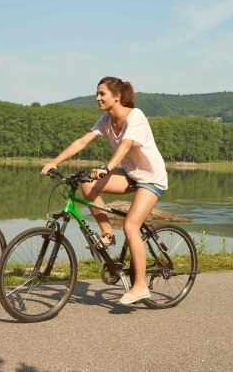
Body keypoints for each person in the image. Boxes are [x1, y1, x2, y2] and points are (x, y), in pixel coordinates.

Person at [41, 76, 167, 305]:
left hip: (151, 179)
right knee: (87, 183)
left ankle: (140, 287)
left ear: (117, 97)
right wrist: (55, 162)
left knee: (131, 225)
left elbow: (126, 145)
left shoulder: (135, 116)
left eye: (102, 94)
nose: (97, 98)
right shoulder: (106, 120)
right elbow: (82, 142)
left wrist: (107, 168)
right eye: (96, 94)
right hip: (131, 176)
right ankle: (107, 233)